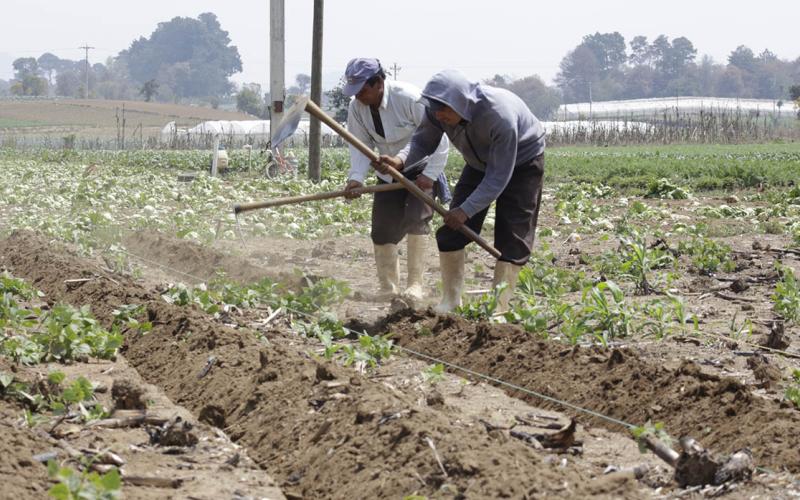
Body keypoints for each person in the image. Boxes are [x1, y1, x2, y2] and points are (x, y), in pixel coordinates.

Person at [380, 69, 545, 313]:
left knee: (512, 237)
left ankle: (499, 309)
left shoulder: (499, 116)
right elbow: (423, 141)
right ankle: (451, 302)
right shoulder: (437, 111)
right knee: (451, 232)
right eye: (435, 109)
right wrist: (400, 161)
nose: (439, 115)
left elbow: (498, 177)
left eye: (444, 110)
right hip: (478, 164)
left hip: (522, 162)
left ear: (460, 103)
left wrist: (465, 210)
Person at [341, 58, 449, 301]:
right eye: (354, 91)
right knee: (382, 229)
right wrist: (356, 178)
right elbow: (359, 145)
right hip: (387, 172)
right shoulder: (356, 108)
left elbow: (438, 138)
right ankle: (388, 288)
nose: (358, 96)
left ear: (379, 82)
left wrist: (430, 175)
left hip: (420, 169)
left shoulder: (409, 98)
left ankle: (415, 286)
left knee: (417, 220)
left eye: (362, 90)